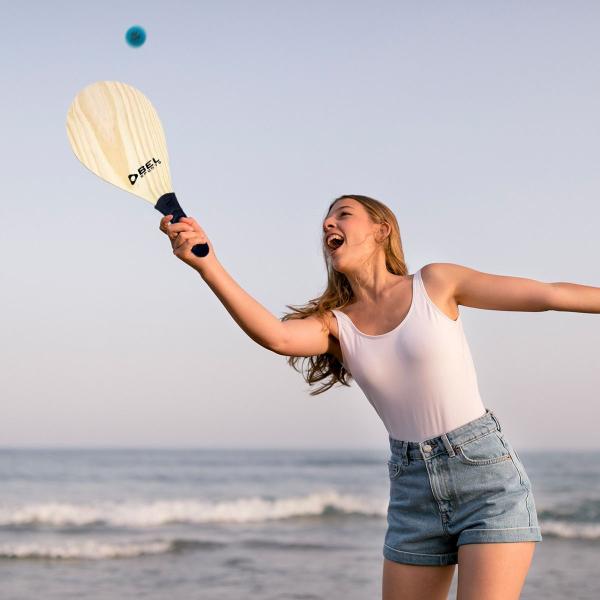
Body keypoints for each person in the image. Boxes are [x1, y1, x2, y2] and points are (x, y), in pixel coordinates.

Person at [159, 194, 554, 600]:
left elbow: (546, 295)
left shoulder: (435, 282)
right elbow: (275, 336)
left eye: (343, 215)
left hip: (484, 476)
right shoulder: (336, 326)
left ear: (382, 230)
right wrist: (206, 264)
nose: (329, 224)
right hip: (412, 490)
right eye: (326, 220)